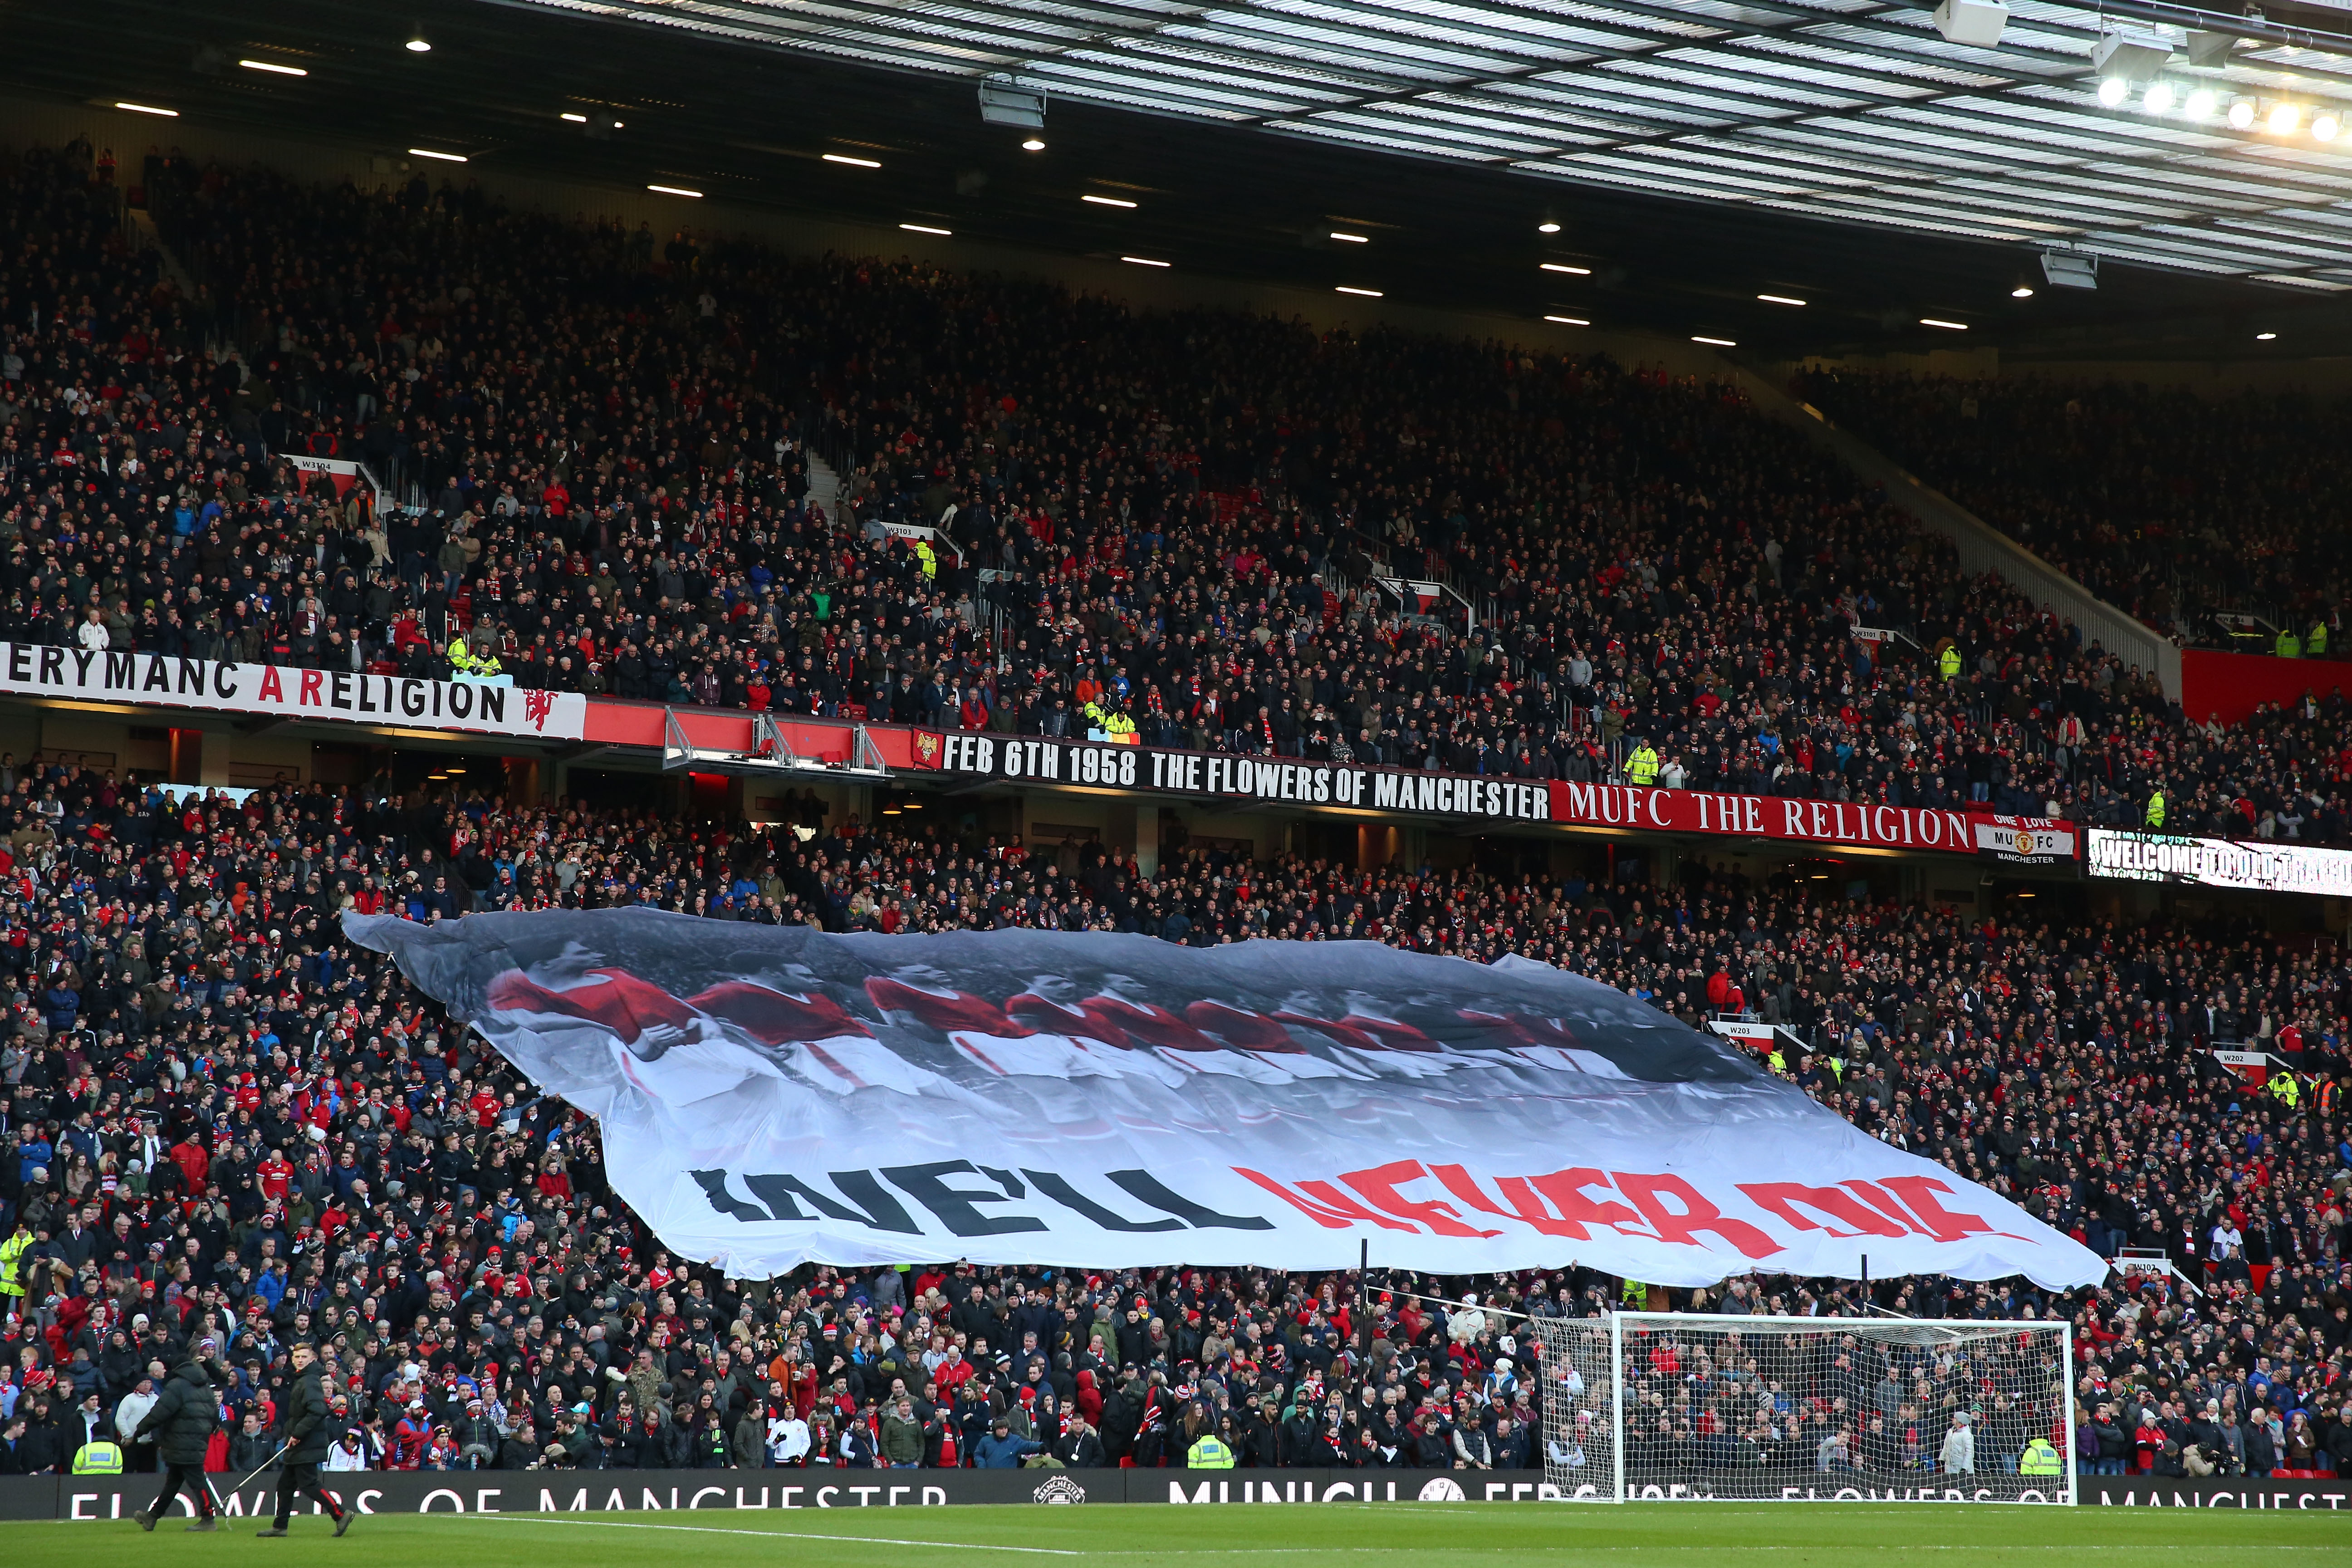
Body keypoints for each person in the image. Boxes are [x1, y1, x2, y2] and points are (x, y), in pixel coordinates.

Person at [255, 1343, 351, 1538]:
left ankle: (340, 1513)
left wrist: (297, 1434)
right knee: (286, 1485)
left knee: (308, 1484)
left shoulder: (309, 1381)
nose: (300, 1360)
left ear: (312, 1359)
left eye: (304, 1357)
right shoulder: (303, 1379)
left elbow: (316, 1412)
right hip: (302, 1439)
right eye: (297, 1357)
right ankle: (280, 1525)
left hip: (307, 1441)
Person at [132, 1344, 224, 1531]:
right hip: (197, 1440)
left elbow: (160, 1412)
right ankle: (152, 1517)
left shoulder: (177, 1386)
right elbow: (215, 1415)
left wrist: (140, 1430)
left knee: (197, 1480)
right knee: (174, 1482)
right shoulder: (205, 1387)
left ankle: (208, 1518)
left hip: (180, 1441)